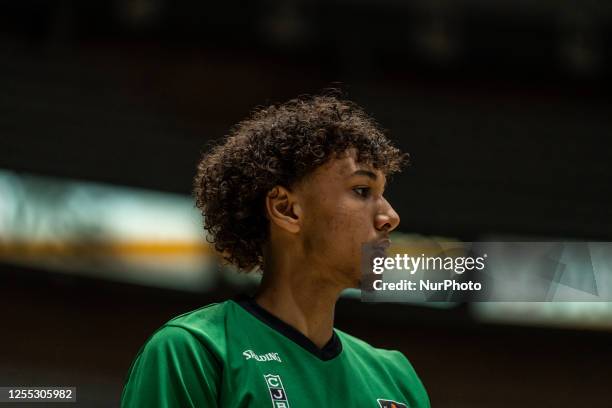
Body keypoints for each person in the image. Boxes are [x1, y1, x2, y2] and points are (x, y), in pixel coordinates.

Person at [121, 94, 430, 407]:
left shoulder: (397, 380)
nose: (390, 217)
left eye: (382, 194)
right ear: (287, 209)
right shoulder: (196, 350)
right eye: (362, 191)